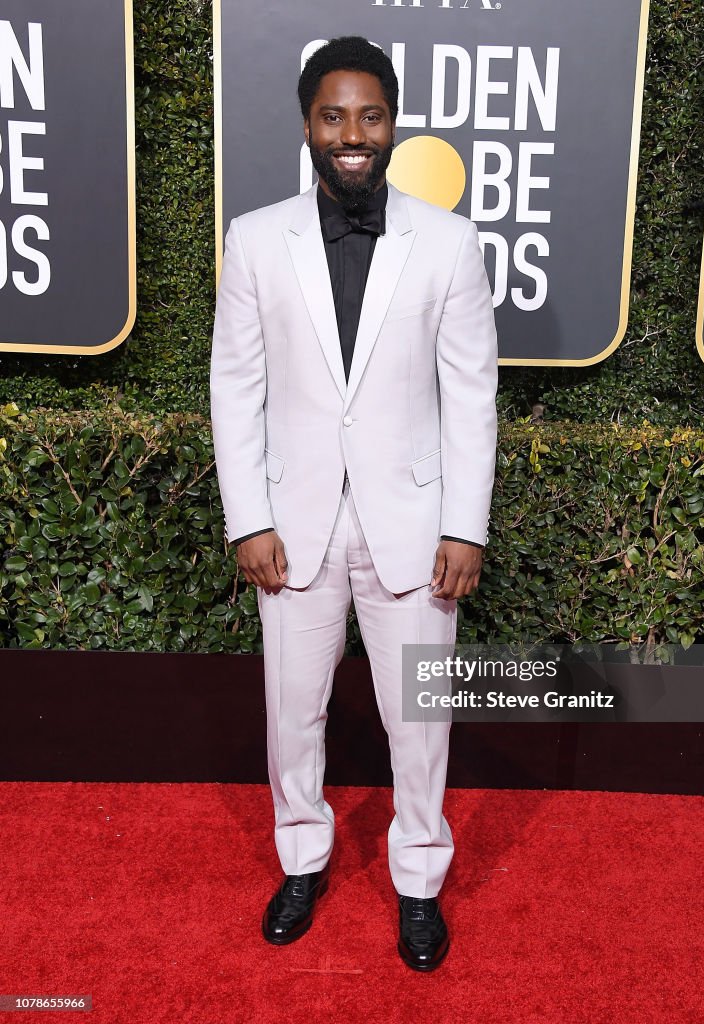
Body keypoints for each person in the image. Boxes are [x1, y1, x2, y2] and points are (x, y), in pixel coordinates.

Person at [210, 36, 497, 972]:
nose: (352, 133)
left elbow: (472, 393)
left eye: (369, 116)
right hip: (292, 532)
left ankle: (418, 879)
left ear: (393, 123)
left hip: (414, 530)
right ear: (307, 126)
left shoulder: (449, 242)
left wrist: (465, 524)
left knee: (420, 721)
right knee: (292, 713)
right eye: (333, 116)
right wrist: (247, 517)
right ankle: (303, 859)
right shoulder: (255, 239)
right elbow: (234, 386)